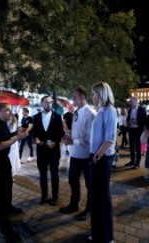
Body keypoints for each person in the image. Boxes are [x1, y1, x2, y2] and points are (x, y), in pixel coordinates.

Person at [0, 102, 28, 233]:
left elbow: (5, 137)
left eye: (9, 110)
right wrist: (17, 138)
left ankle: (8, 208)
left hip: (4, 160)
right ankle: (1, 219)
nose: (9, 112)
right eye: (6, 110)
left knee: (8, 185)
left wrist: (15, 132)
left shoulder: (3, 123)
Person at [60, 87, 96, 221]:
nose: (72, 98)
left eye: (74, 96)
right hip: (74, 153)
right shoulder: (76, 112)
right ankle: (74, 204)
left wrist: (73, 140)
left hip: (86, 155)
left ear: (82, 97)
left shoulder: (90, 113)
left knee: (89, 184)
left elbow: (90, 138)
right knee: (72, 180)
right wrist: (68, 137)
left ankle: (89, 209)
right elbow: (78, 132)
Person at [88, 82, 117, 243]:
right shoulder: (101, 111)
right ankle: (97, 231)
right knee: (96, 197)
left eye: (94, 94)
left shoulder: (110, 111)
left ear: (101, 94)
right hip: (97, 156)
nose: (92, 97)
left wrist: (96, 157)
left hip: (102, 158)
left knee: (102, 198)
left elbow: (109, 139)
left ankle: (106, 236)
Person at [33, 95, 65, 206]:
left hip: (54, 151)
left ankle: (55, 196)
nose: (49, 104)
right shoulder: (36, 117)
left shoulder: (57, 116)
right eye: (46, 102)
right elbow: (34, 132)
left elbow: (60, 133)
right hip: (41, 150)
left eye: (50, 102)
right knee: (42, 174)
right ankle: (44, 195)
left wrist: (56, 142)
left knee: (54, 174)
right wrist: (36, 139)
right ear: (42, 103)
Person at [125, 96, 147, 169]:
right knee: (131, 146)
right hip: (131, 129)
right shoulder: (130, 110)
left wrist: (137, 121)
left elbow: (145, 120)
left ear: (136, 101)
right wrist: (128, 122)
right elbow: (128, 118)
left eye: (131, 101)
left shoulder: (141, 109)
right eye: (129, 101)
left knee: (138, 147)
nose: (130, 103)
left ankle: (137, 163)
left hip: (138, 130)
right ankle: (132, 161)